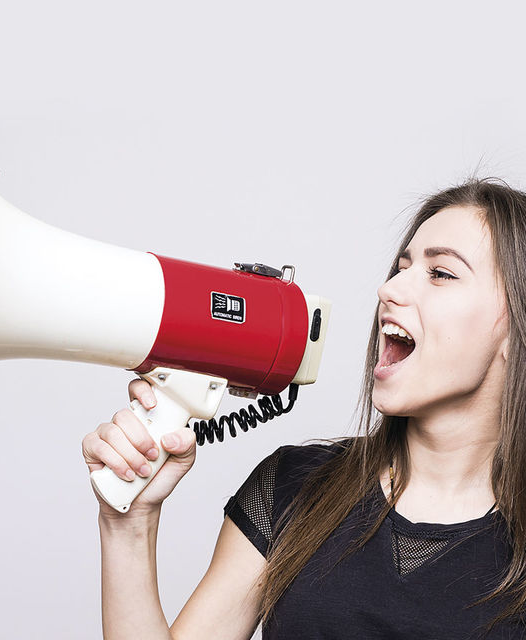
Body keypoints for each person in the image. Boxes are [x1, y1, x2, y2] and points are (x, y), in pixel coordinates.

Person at [82, 178, 526, 639]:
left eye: (440, 274)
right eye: (401, 267)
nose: (389, 289)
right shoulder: (294, 486)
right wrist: (128, 523)